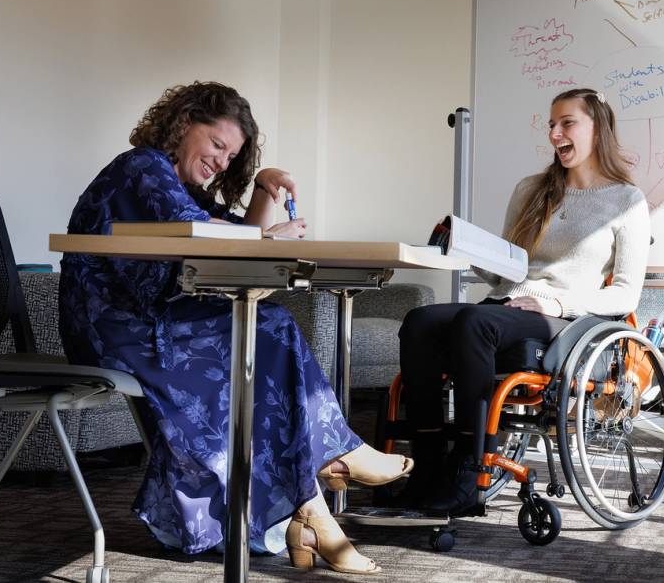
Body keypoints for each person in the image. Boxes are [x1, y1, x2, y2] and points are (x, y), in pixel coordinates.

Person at [59, 81, 410, 575]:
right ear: (184, 125)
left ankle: (312, 510)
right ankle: (331, 460)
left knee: (265, 333)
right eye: (217, 144)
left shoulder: (182, 186)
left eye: (232, 154)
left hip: (151, 322)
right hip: (114, 329)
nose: (222, 162)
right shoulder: (142, 166)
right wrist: (267, 236)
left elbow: (233, 236)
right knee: (265, 327)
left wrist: (265, 187)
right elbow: (211, 234)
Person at [397, 87, 650, 514]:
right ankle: (425, 464)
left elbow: (625, 291)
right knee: (420, 320)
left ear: (597, 128)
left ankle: (469, 466)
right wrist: (463, 248)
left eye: (567, 123)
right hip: (507, 305)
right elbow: (505, 272)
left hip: (565, 319)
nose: (555, 133)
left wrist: (558, 304)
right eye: (552, 124)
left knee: (474, 325)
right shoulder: (532, 189)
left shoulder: (626, 201)